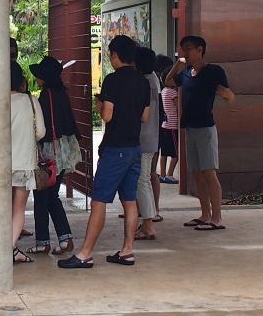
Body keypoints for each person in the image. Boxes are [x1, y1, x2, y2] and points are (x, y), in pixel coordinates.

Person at [58, 35, 149, 270]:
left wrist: (100, 105)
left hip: (115, 148)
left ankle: (85, 253)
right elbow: (145, 116)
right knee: (129, 200)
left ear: (115, 55)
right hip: (134, 148)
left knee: (99, 200)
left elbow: (107, 116)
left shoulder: (112, 80)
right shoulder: (143, 81)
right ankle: (127, 250)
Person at [165, 35, 235, 231]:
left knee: (209, 173)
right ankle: (205, 215)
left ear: (200, 49)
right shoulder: (186, 73)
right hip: (190, 128)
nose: (185, 53)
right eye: (183, 49)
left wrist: (225, 94)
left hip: (205, 129)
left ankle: (217, 218)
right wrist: (178, 64)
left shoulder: (213, 71)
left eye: (188, 49)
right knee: (197, 174)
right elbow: (168, 81)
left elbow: (228, 94)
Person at [29, 56, 81, 256]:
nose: (37, 79)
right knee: (51, 196)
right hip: (64, 150)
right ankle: (64, 239)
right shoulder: (61, 93)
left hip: (50, 152)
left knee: (42, 196)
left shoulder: (47, 95)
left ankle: (44, 242)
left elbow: (43, 130)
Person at [9, 65, 45, 264]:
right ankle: (10, 247)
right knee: (18, 209)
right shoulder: (31, 102)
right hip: (24, 162)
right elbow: (41, 132)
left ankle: (0, 247)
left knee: (0, 207)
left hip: (0, 164)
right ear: (22, 82)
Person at [134, 47, 163, 241]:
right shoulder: (153, 79)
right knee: (143, 179)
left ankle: (148, 225)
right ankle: (147, 221)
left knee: (142, 181)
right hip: (149, 136)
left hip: (144, 137)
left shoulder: (146, 82)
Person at [157, 55, 179, 183]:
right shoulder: (173, 93)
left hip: (165, 125)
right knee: (176, 153)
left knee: (164, 153)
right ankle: (170, 175)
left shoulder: (164, 91)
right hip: (173, 126)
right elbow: (178, 107)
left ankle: (163, 174)